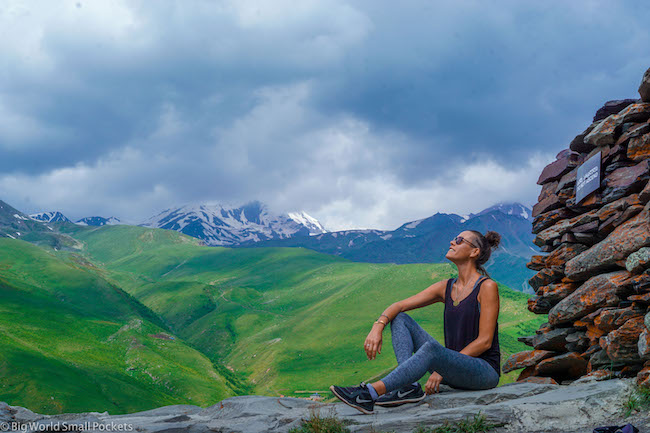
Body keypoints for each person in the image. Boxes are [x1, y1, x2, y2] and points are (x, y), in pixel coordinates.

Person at [330, 230, 502, 415]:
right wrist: (377, 326)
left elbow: (485, 341)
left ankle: (369, 393)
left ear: (474, 252)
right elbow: (398, 306)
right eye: (453, 238)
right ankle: (408, 387)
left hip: (483, 371)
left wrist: (442, 371)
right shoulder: (446, 287)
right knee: (399, 318)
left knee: (431, 349)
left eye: (459, 240)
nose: (452, 242)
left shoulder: (487, 287)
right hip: (454, 368)